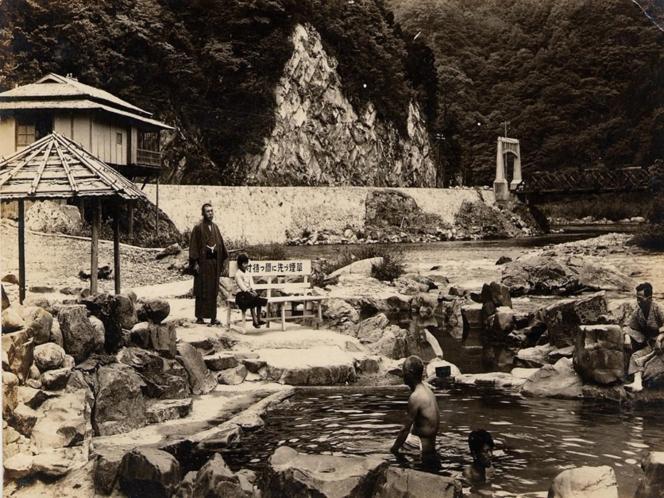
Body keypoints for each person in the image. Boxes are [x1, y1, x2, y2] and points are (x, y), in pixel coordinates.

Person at [391, 355, 441, 471]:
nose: (402, 375)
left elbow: (404, 429)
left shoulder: (416, 397)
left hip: (419, 448)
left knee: (384, 450)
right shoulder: (427, 390)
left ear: (410, 373)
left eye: (404, 371)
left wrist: (392, 451)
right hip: (430, 445)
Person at [189, 203, 228, 326]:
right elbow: (194, 245)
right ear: (203, 213)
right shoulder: (198, 228)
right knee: (201, 290)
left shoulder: (215, 227)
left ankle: (213, 317)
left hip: (214, 264)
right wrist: (195, 262)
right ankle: (200, 317)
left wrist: (223, 261)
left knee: (213, 291)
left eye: (211, 211)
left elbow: (220, 245)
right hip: (202, 263)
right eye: (207, 211)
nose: (210, 213)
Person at [624, 282, 664, 392]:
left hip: (662, 343)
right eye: (637, 298)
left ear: (649, 298)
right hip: (651, 345)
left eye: (640, 299)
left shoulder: (658, 308)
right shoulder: (638, 312)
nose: (638, 302)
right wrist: (627, 336)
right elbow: (628, 326)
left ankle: (648, 358)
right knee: (635, 356)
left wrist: (660, 337)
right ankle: (637, 383)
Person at [235, 253, 268, 329]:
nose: (246, 265)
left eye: (246, 263)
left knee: (258, 298)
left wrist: (254, 291)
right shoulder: (238, 274)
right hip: (241, 294)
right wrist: (250, 292)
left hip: (249, 293)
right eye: (244, 263)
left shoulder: (248, 273)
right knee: (252, 299)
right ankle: (255, 321)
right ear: (240, 264)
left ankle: (258, 319)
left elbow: (252, 284)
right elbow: (242, 287)